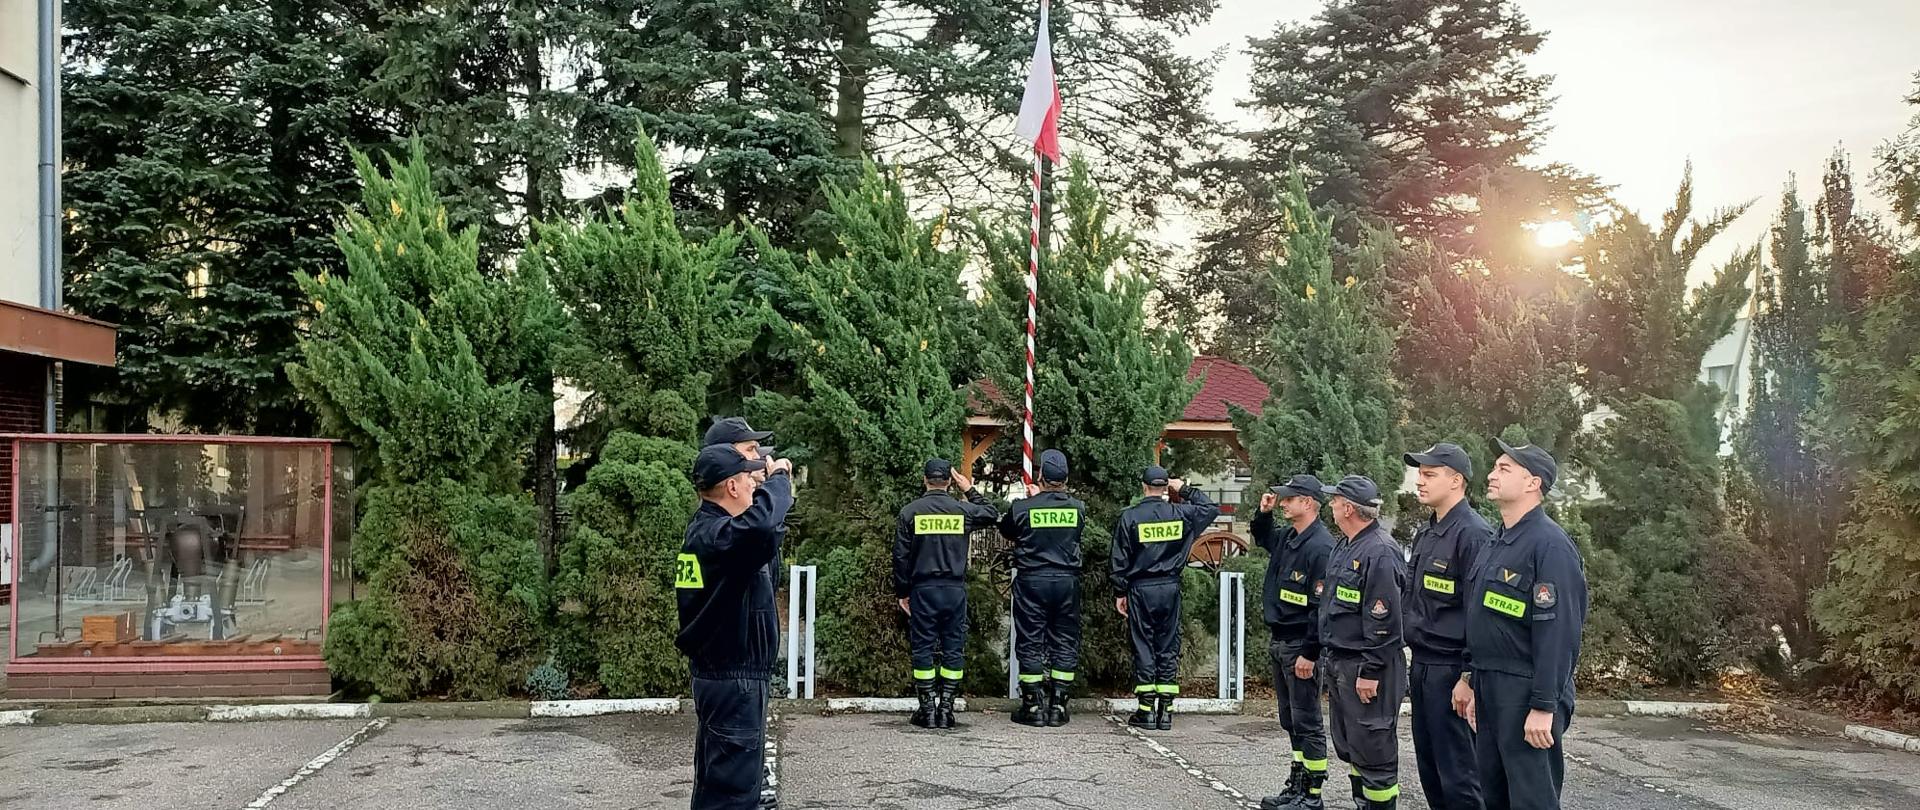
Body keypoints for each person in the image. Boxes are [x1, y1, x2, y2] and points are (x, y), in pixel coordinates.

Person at [1453, 440, 1589, 810]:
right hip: (1489, 683)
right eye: (1495, 467)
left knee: (1532, 799)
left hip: (1526, 689)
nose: (1492, 475)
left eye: (1504, 469)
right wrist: (1468, 677)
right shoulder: (1497, 541)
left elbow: (1559, 633)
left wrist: (1544, 706)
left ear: (1533, 483)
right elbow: (1480, 615)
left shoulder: (1550, 546)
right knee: (1494, 794)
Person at [678, 444, 795, 810]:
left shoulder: (713, 533)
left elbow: (764, 534)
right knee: (729, 795)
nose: (754, 486)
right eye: (748, 480)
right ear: (731, 486)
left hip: (728, 676)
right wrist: (778, 481)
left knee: (724, 785)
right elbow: (761, 524)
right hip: (733, 679)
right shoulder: (716, 536)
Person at [1402, 443, 1491, 810]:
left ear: (1456, 481)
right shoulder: (1428, 533)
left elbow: (1477, 613)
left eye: (1429, 475)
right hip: (1423, 664)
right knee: (1432, 773)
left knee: (1460, 776)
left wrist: (1468, 676)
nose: (1419, 482)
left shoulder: (1472, 534)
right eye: (1419, 475)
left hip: (1452, 669)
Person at [1318, 475, 1407, 810]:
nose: (1331, 506)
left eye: (1335, 500)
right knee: (1353, 746)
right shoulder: (1346, 545)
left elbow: (1384, 620)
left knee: (1375, 750)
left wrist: (1370, 671)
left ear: (1348, 508)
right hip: (1343, 662)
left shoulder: (1380, 552)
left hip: (1369, 667)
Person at [1110, 465, 1221, 730]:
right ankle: (1166, 711)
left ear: (1143, 486)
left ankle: (1146, 710)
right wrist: (1184, 488)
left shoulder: (1131, 517)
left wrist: (1119, 591)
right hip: (1170, 587)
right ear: (1165, 488)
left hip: (1140, 588)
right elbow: (1210, 508)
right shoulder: (1182, 514)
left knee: (1144, 644)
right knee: (1168, 645)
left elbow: (1119, 558)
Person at [893, 458, 999, 729]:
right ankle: (946, 710)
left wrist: (903, 592)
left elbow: (901, 558)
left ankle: (927, 709)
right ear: (950, 481)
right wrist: (969, 490)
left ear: (924, 479)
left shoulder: (910, 512)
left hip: (923, 590)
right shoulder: (961, 510)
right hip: (954, 589)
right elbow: (991, 512)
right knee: (953, 647)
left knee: (923, 648)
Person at [1253, 475, 1337, 810]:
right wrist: (1263, 514)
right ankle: (1297, 785)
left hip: (1301, 645)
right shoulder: (1290, 537)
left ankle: (1312, 794)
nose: (1283, 502)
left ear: (1308, 503)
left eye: (1289, 498)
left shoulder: (1320, 547)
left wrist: (1310, 653)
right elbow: (1263, 537)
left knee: (1307, 721)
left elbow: (1321, 608)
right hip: (1281, 642)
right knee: (1291, 720)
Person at [998, 449, 1088, 727]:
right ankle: (1059, 705)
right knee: (1064, 639)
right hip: (1066, 582)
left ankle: (1033, 705)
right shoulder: (1078, 508)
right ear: (1066, 477)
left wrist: (1032, 500)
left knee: (1030, 640)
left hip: (1032, 580)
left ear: (1040, 476)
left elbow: (1008, 531)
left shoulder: (1022, 508)